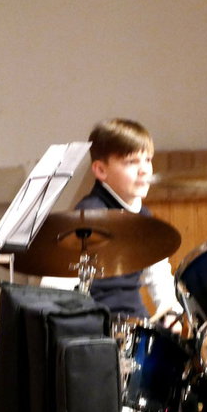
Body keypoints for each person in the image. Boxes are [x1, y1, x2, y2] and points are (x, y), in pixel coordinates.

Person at [44, 118, 182, 324]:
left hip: (135, 323)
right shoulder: (88, 217)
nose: (144, 170)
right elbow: (54, 289)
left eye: (147, 160)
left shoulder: (143, 217)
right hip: (97, 328)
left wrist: (171, 313)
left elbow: (158, 276)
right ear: (101, 170)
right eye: (131, 162)